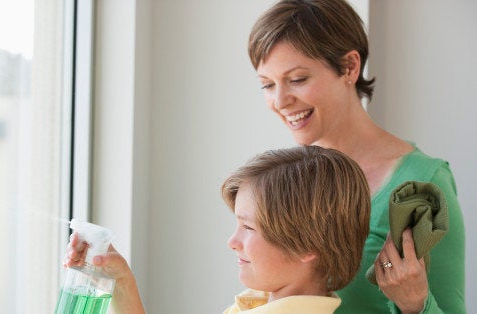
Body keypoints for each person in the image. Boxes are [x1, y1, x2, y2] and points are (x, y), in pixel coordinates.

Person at [246, 0, 466, 313]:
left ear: (350, 67)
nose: (280, 100)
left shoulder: (422, 186)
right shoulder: (283, 179)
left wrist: (415, 304)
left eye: (297, 79)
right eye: (267, 84)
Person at [64, 145, 371, 313]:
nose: (233, 241)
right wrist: (122, 282)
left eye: (248, 227)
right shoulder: (263, 303)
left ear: (307, 245)